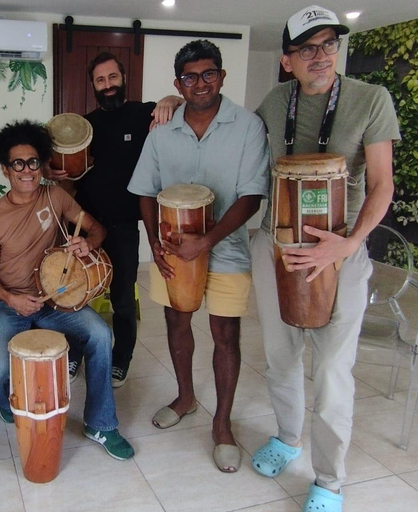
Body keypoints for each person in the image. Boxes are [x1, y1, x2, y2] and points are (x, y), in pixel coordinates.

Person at [248, 6, 400, 510]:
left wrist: (350, 243)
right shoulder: (274, 102)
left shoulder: (370, 99)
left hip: (341, 253)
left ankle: (329, 481)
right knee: (281, 358)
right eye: (307, 48)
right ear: (288, 59)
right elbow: (239, 143)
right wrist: (168, 101)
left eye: (329, 44)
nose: (321, 56)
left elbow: (382, 183)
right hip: (278, 248)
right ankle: (288, 437)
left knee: (333, 371)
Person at [127, 40, 270, 473]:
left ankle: (222, 423)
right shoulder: (162, 131)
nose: (200, 83)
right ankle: (186, 396)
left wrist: (206, 242)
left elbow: (251, 196)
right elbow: (145, 191)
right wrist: (152, 240)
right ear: (178, 84)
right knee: (176, 320)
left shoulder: (247, 126)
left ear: (222, 76)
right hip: (173, 251)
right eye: (190, 77)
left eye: (209, 74)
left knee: (225, 335)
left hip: (225, 250)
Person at [0, 119, 135, 461]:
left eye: (33, 162)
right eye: (17, 163)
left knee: (98, 334)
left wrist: (86, 244)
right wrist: (10, 299)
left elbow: (97, 230)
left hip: (55, 297)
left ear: (41, 164)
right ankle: (5, 396)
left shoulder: (55, 196)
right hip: (10, 301)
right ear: (5, 169)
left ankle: (100, 423)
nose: (27, 171)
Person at [44, 52, 177, 387]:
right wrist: (53, 171)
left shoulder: (141, 113)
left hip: (122, 228)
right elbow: (67, 181)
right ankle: (74, 353)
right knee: (74, 295)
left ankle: (122, 357)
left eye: (112, 78)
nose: (107, 85)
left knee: (122, 299)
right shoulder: (83, 127)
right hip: (84, 225)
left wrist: (168, 99)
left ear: (123, 79)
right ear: (93, 85)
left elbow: (181, 103)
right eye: (100, 80)